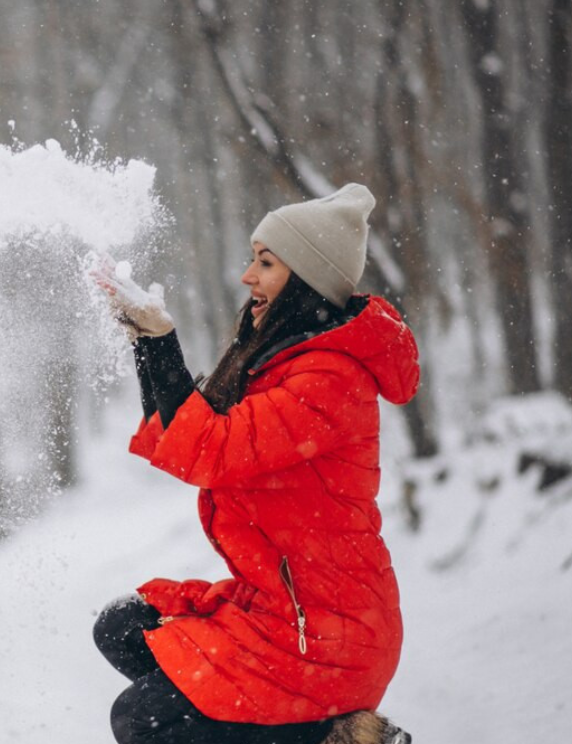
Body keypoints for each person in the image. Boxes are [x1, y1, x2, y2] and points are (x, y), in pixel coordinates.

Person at [91, 184, 416, 744]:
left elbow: (210, 451)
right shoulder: (279, 363)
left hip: (330, 639)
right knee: (122, 628)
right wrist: (147, 344)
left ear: (306, 278)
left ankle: (326, 732)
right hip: (280, 609)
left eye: (266, 262)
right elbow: (182, 434)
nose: (248, 276)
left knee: (145, 717)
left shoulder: (328, 379)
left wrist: (165, 343)